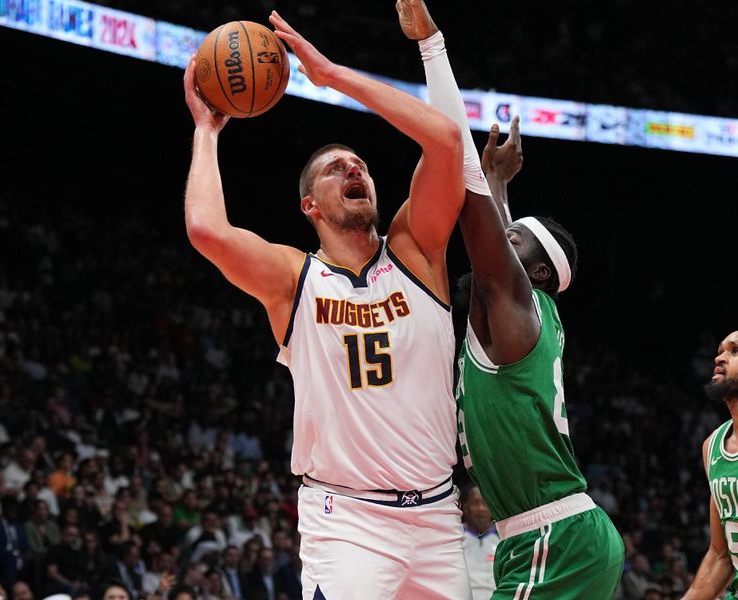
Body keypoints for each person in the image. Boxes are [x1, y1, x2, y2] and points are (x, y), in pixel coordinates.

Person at [183, 9, 469, 599]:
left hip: (440, 518)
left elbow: (444, 139)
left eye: (359, 164)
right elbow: (207, 230)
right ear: (310, 206)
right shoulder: (295, 277)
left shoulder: (417, 254)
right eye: (335, 169)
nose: (353, 167)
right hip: (350, 524)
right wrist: (206, 131)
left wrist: (332, 76)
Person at [396, 1, 625, 597]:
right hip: (541, 535)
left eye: (515, 238)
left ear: (542, 271)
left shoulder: (517, 306)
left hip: (554, 538)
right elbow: (495, 230)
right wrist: (502, 186)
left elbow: (463, 178)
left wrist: (432, 48)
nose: (503, 238)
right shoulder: (516, 316)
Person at [681, 330, 738, 599]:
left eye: (734, 351)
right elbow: (720, 555)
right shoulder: (712, 446)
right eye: (720, 350)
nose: (720, 357)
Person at [460, 483, 499, 600]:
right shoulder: (454, 537)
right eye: (475, 503)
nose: (481, 508)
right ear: (465, 507)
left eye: (485, 503)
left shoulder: (503, 540)